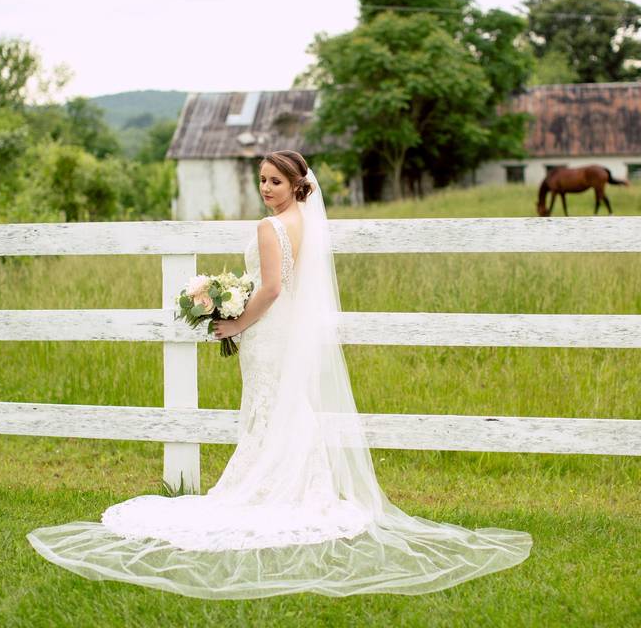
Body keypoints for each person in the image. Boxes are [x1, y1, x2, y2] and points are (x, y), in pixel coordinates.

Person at [26, 150, 532, 599]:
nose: (266, 188)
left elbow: (268, 289)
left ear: (296, 185)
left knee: (269, 403)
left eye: (274, 181)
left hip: (269, 328)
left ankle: (269, 488)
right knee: (287, 405)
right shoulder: (306, 224)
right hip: (292, 330)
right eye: (261, 180)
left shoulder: (270, 228)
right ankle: (299, 486)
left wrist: (234, 323)